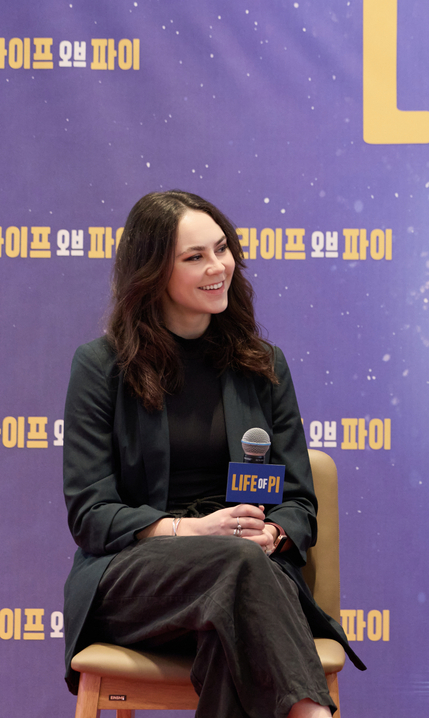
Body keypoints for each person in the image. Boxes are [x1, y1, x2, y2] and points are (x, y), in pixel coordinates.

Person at [61, 190, 363, 718]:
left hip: (245, 574)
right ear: (152, 271)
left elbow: (298, 501)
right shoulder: (101, 366)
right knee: (237, 570)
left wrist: (271, 532)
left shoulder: (261, 364)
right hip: (137, 576)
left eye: (221, 249)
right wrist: (192, 530)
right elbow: (91, 515)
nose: (217, 266)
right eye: (194, 257)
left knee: (234, 614)